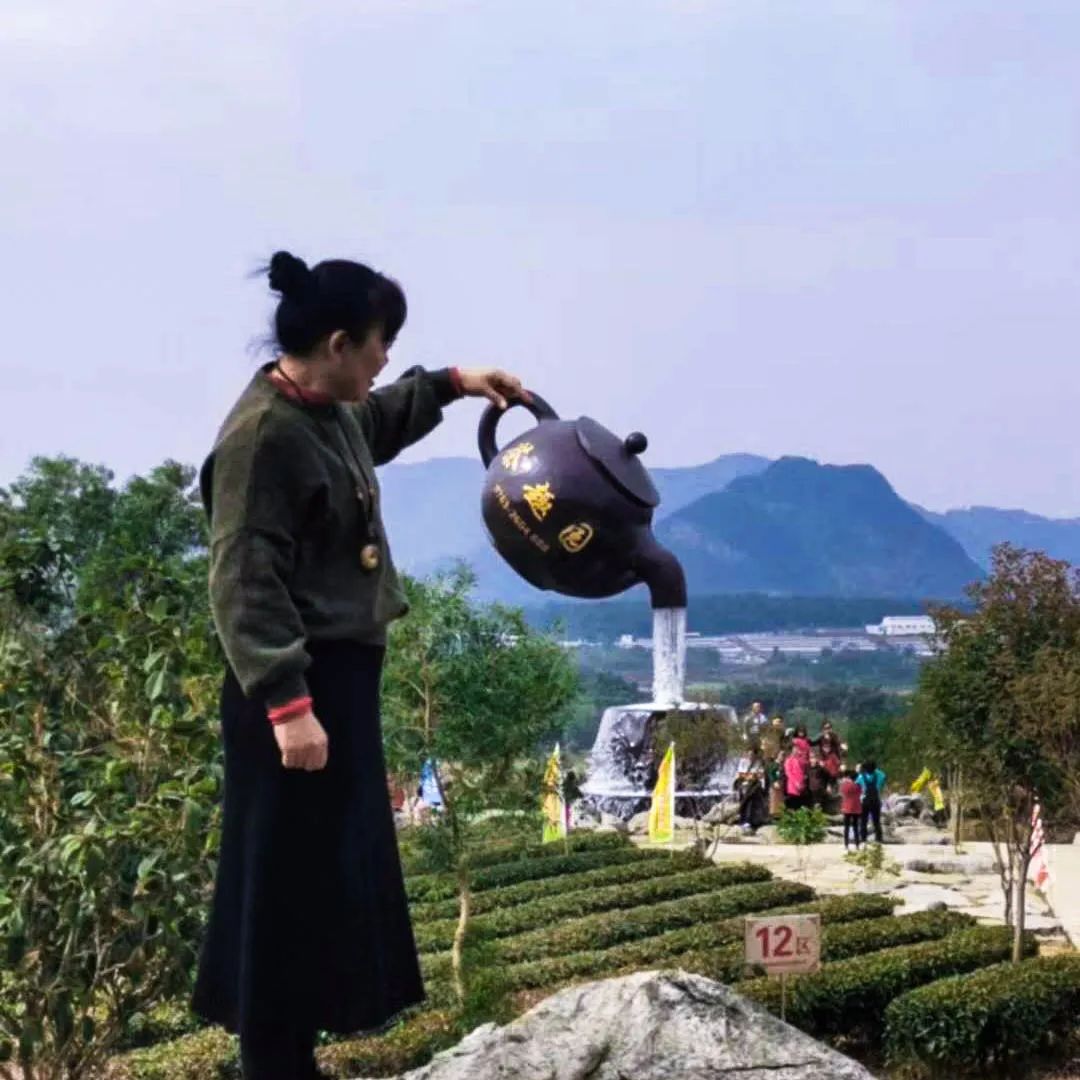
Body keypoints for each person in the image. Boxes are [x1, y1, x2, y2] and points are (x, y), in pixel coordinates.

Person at [190, 250, 528, 1080]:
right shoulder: (262, 439)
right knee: (281, 877)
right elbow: (243, 579)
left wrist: (452, 381)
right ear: (338, 343)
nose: (383, 361)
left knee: (325, 872)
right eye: (380, 345)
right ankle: (271, 1063)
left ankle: (293, 1054)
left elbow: (374, 420)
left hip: (335, 683)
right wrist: (286, 703)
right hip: (293, 694)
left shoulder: (324, 408)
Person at [857, 759, 887, 844]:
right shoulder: (880, 775)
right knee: (876, 821)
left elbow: (857, 786)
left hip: (865, 801)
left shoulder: (861, 777)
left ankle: (863, 838)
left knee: (863, 821)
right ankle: (879, 838)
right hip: (876, 800)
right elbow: (884, 778)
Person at [839, 769, 862, 850]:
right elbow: (860, 793)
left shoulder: (844, 785)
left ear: (849, 777)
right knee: (856, 827)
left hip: (847, 808)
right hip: (856, 808)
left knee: (846, 827)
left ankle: (846, 844)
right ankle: (857, 844)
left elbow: (842, 792)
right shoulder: (858, 786)